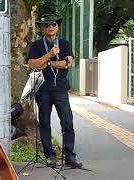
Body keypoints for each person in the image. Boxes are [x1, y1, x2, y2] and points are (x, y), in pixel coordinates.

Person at [27, 14, 82, 168]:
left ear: (57, 26)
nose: (50, 27)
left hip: (60, 88)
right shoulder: (36, 45)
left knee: (67, 121)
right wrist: (50, 55)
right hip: (42, 89)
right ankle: (50, 155)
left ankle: (69, 155)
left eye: (53, 24)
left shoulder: (65, 44)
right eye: (46, 25)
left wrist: (48, 62)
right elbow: (32, 64)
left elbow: (68, 63)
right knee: (44, 122)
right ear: (42, 28)